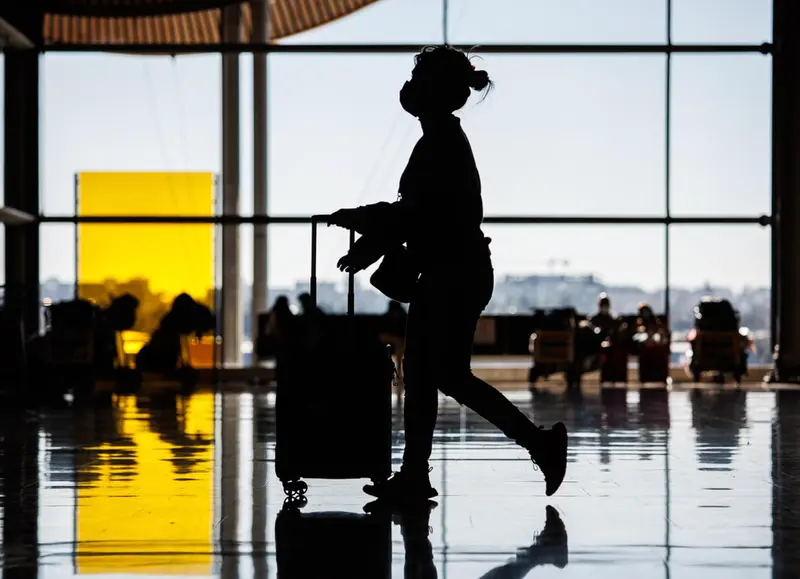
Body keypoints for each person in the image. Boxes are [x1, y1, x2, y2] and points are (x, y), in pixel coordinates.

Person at [326, 45, 568, 502]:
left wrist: (363, 222)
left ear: (432, 89)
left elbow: (418, 215)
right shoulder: (440, 139)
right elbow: (423, 215)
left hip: (451, 275)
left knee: (431, 374)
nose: (409, 86)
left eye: (417, 77)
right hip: (459, 271)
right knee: (442, 375)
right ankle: (520, 447)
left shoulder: (439, 143)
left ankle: (523, 446)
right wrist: (372, 236)